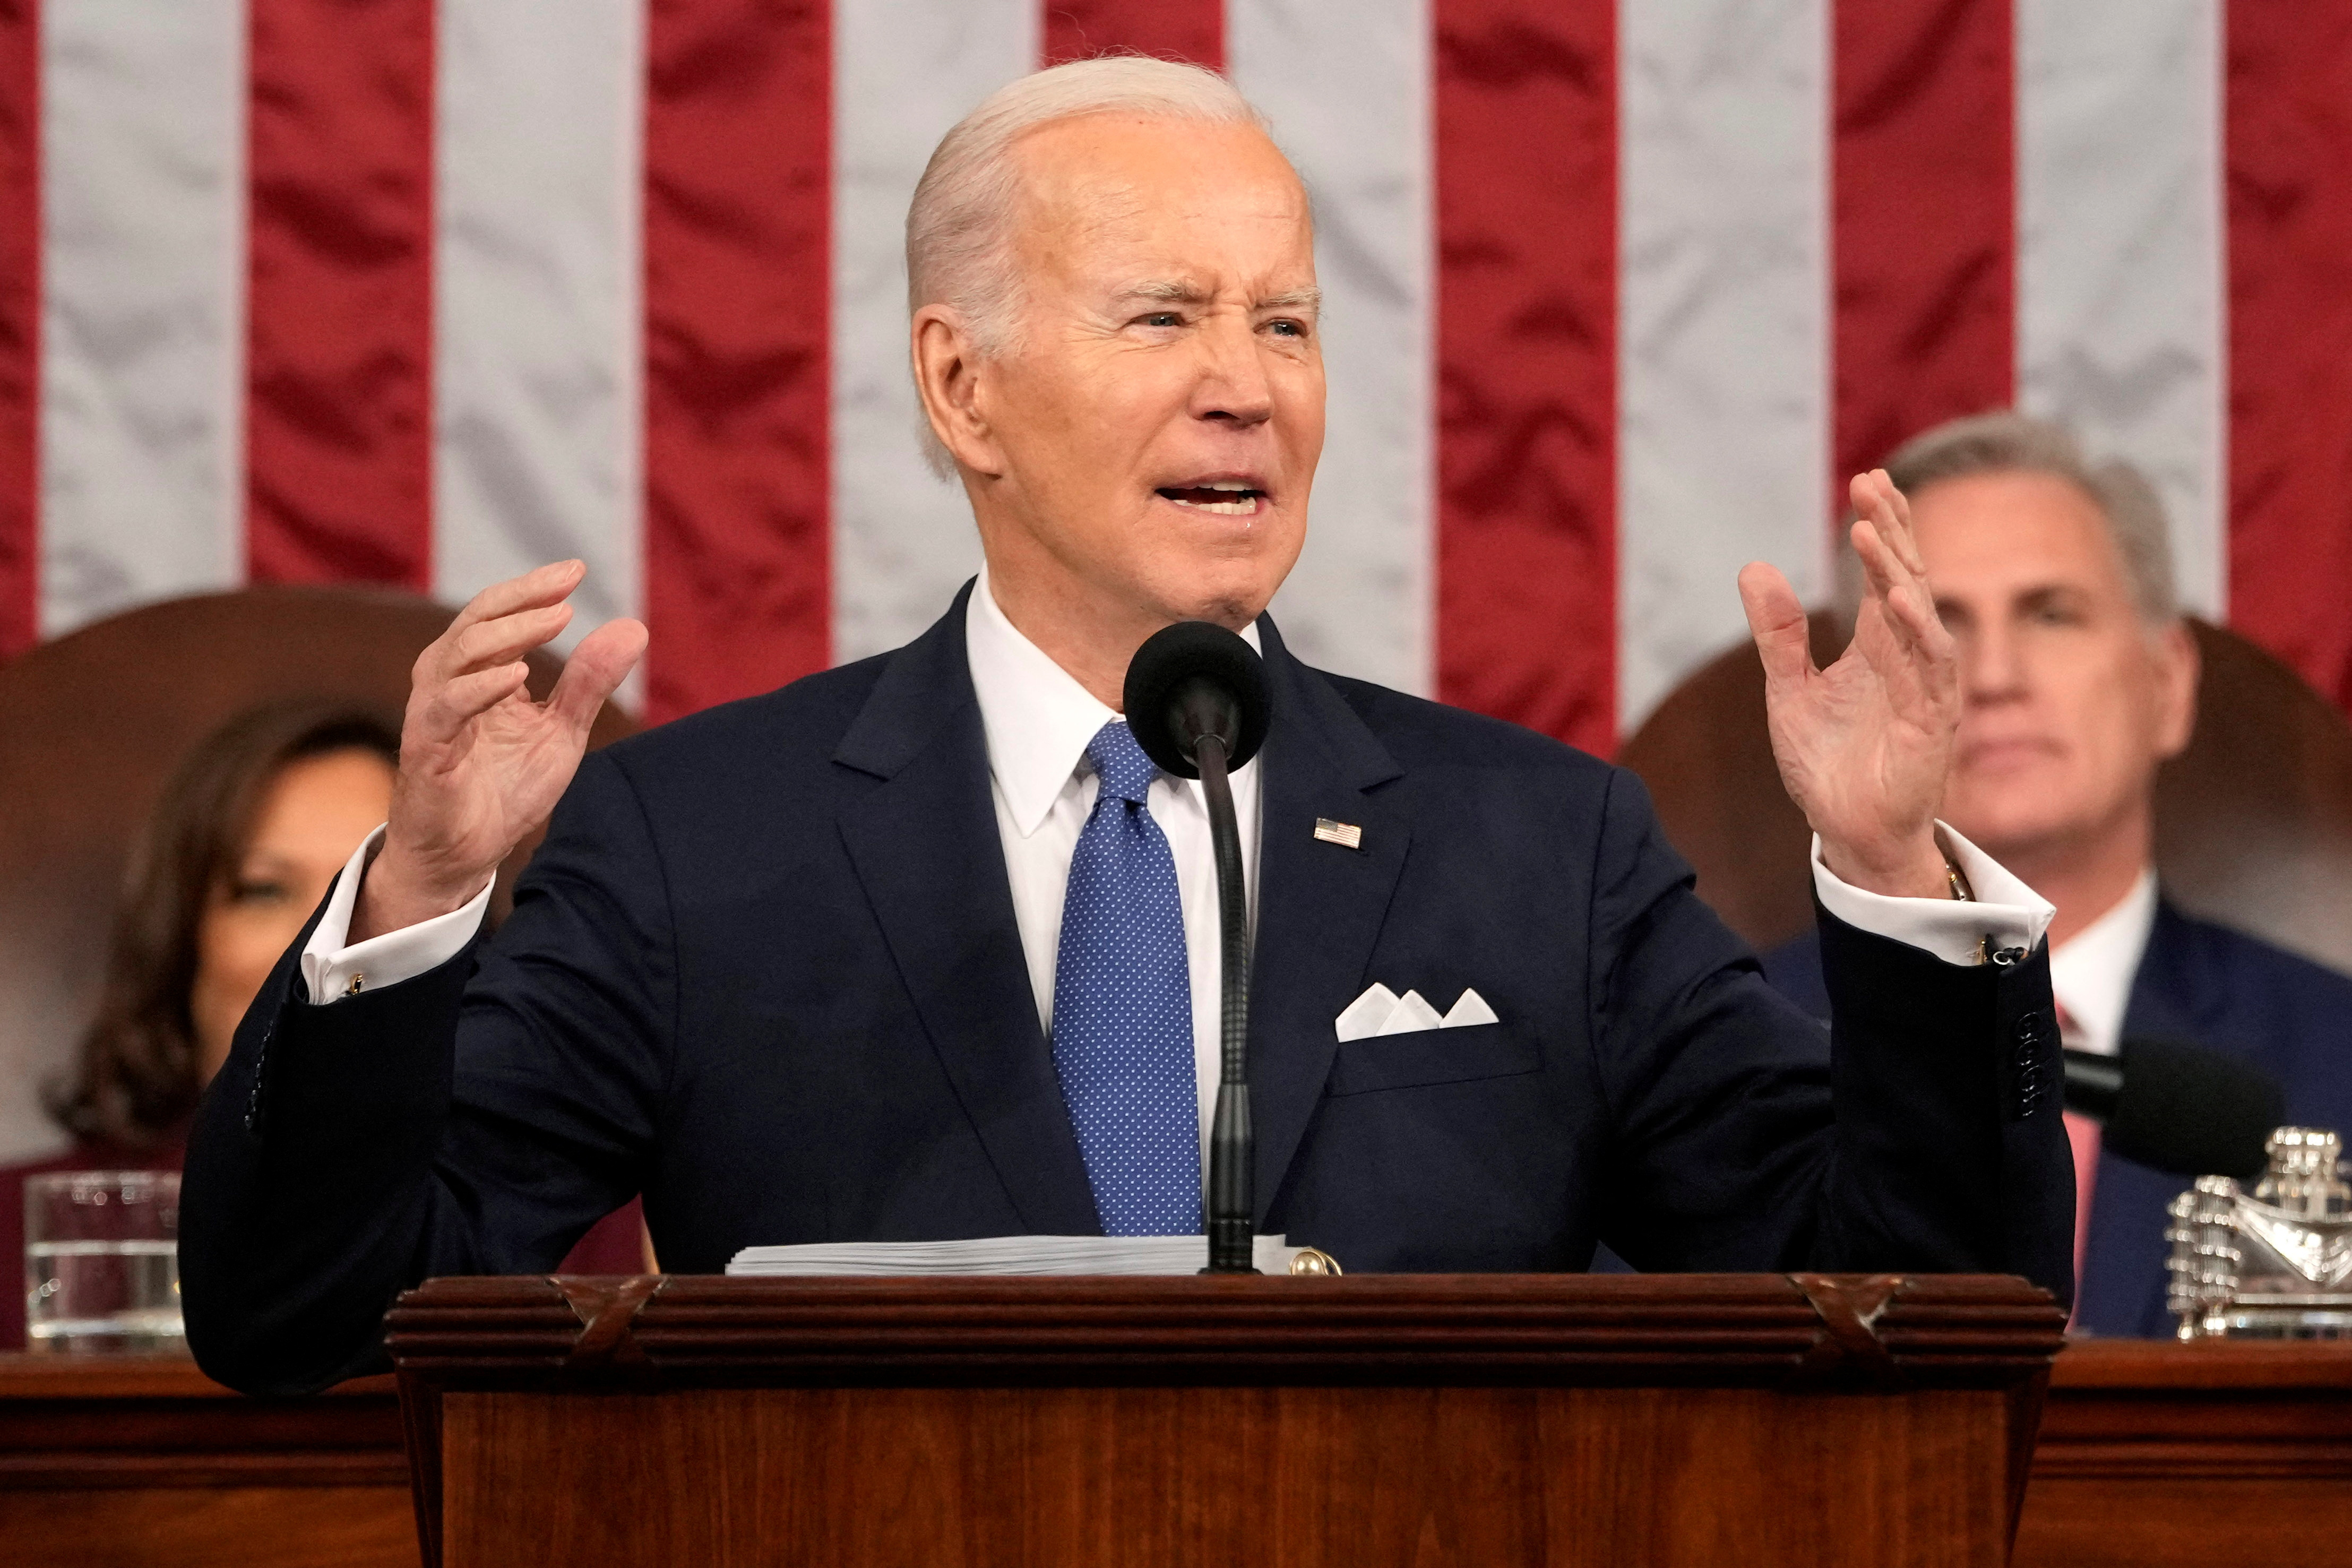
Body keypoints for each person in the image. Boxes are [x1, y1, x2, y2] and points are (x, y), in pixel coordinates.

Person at [182, 58, 2070, 1397]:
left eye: (1288, 323)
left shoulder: (1536, 844)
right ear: (961, 386)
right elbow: (307, 1318)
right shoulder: (701, 847)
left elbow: (1929, 1312)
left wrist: (1892, 872)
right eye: (1161, 316)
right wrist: (426, 884)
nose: (1243, 390)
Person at [1760, 411, 2352, 1336]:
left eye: (2051, 612)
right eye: (1939, 620)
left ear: (2168, 682)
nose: (1992, 674)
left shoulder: (2333, 1047)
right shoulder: (1735, 1047)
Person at [0, 700, 400, 1348]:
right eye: (265, 891)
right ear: (182, 940)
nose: (317, 940)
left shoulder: (578, 1223)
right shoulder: (16, 1230)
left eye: (373, 890)